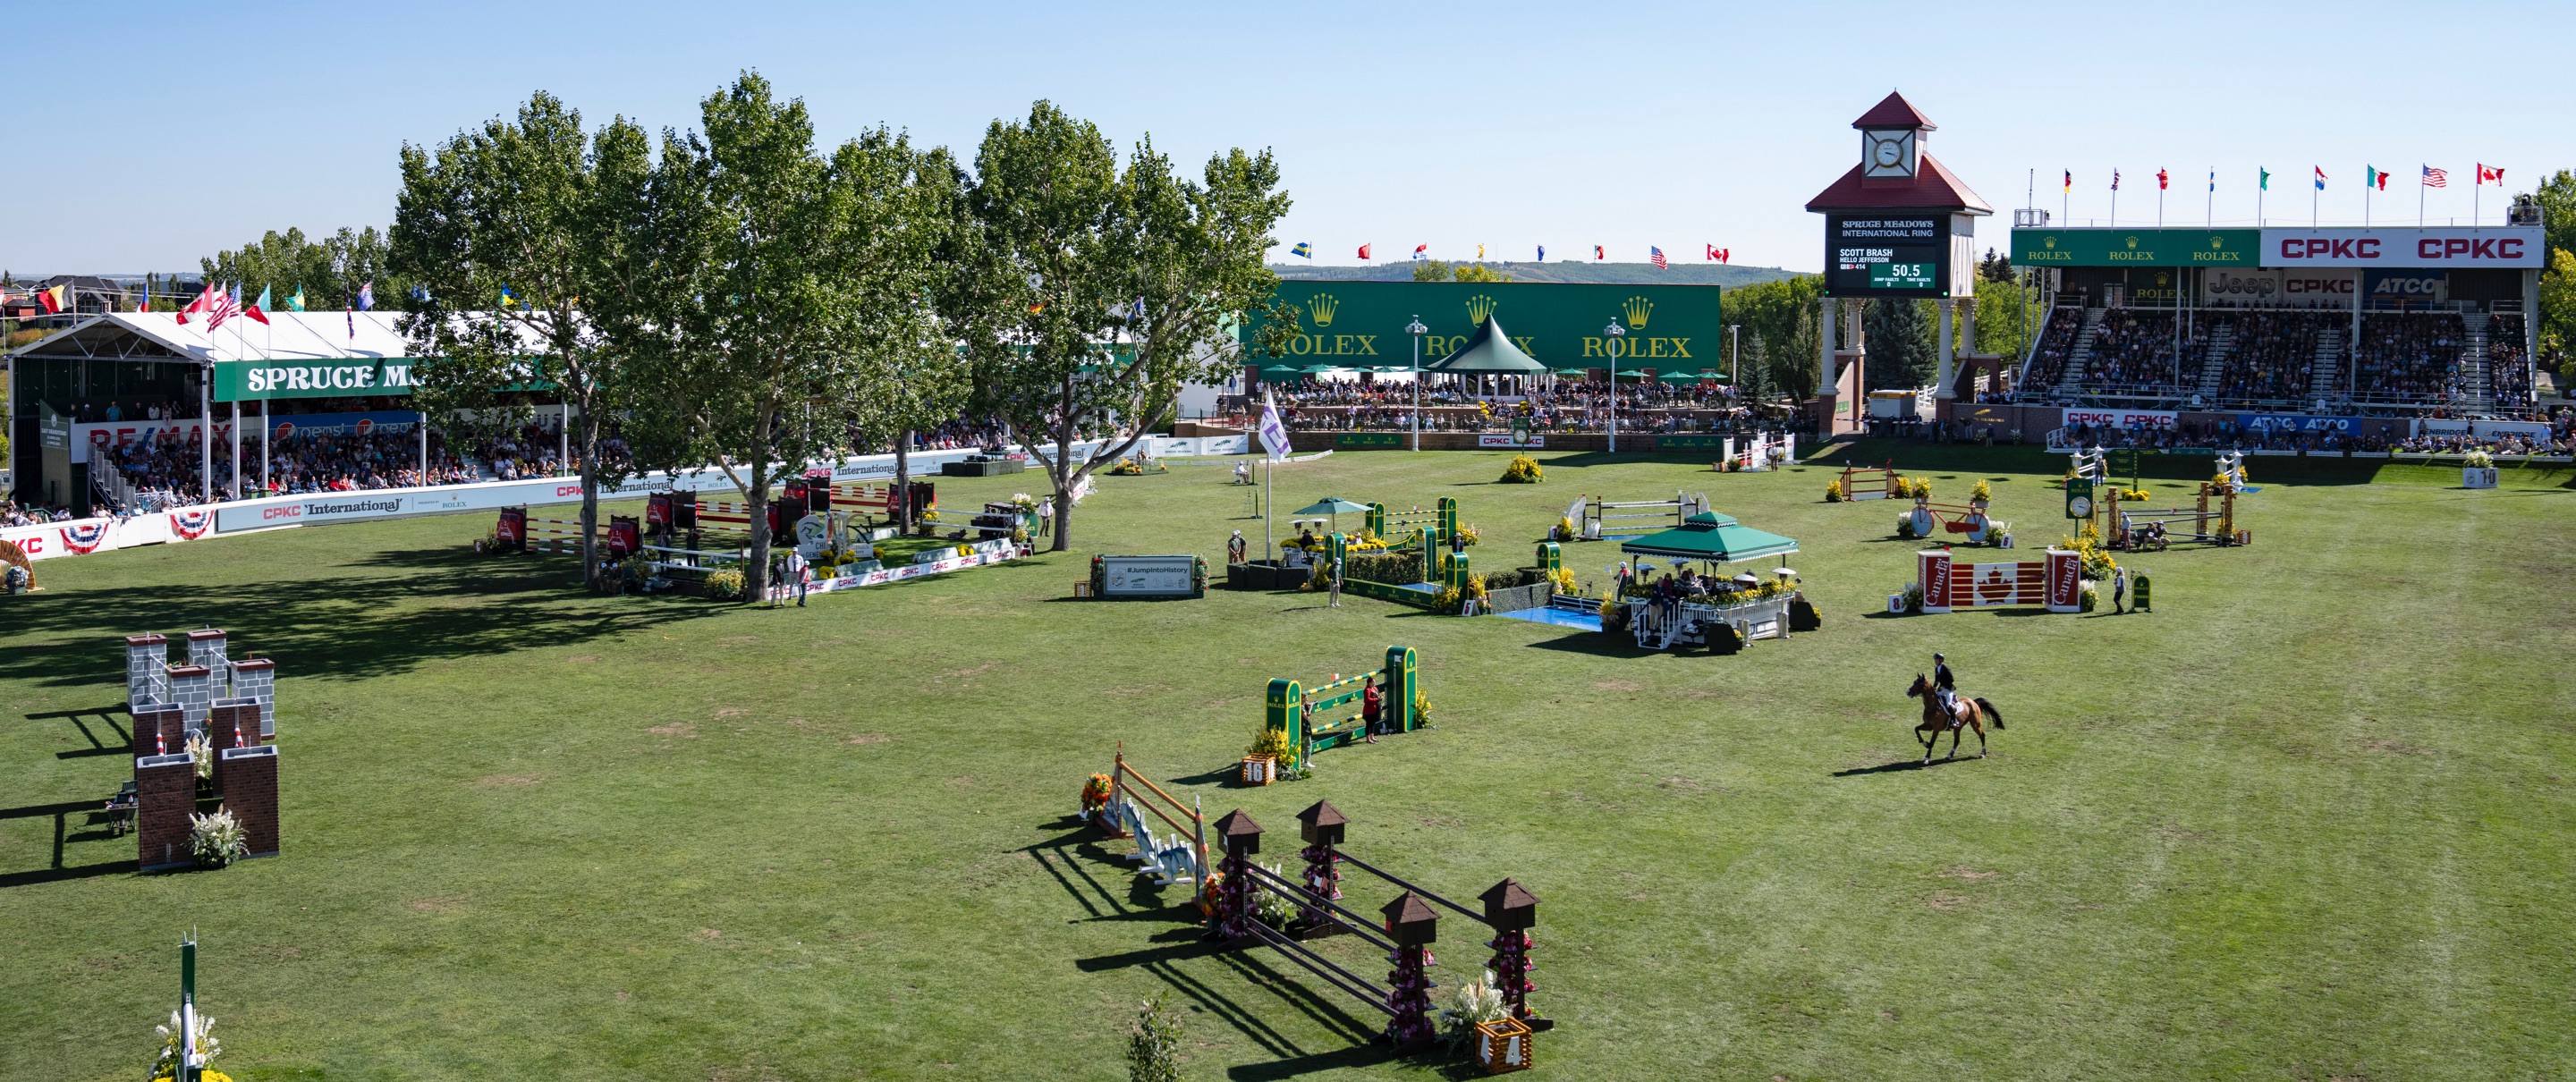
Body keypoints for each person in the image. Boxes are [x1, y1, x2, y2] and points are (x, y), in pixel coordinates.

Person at [1932, 652, 1959, 718]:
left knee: (1949, 704)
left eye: (1936, 660)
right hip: (1941, 690)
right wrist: (1934, 687)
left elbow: (1951, 679)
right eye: (1935, 660)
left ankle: (1954, 720)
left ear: (1941, 660)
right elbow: (1937, 680)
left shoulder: (1945, 668)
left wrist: (1944, 686)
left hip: (1948, 689)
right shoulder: (1936, 668)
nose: (1935, 661)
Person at [1361, 674, 1382, 743]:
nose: (1374, 683)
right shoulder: (1367, 690)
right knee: (1368, 724)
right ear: (1369, 683)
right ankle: (1368, 739)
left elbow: (1378, 695)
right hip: (1369, 710)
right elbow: (1366, 700)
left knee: (1373, 724)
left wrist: (1380, 697)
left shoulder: (1375, 688)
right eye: (1372, 682)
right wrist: (1376, 699)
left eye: (1374, 682)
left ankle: (1372, 737)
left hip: (1375, 710)